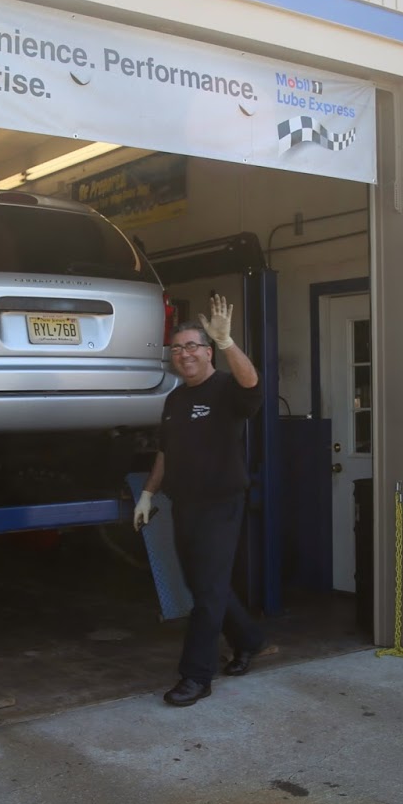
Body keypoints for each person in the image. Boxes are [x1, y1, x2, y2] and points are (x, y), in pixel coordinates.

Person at [133, 294, 268, 707]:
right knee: (204, 586)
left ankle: (196, 677)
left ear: (208, 352)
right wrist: (148, 492)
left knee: (207, 593)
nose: (184, 354)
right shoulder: (174, 400)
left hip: (220, 505)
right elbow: (165, 453)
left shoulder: (226, 388)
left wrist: (229, 343)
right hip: (185, 506)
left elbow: (252, 384)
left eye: (192, 346)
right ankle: (249, 640)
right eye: (177, 349)